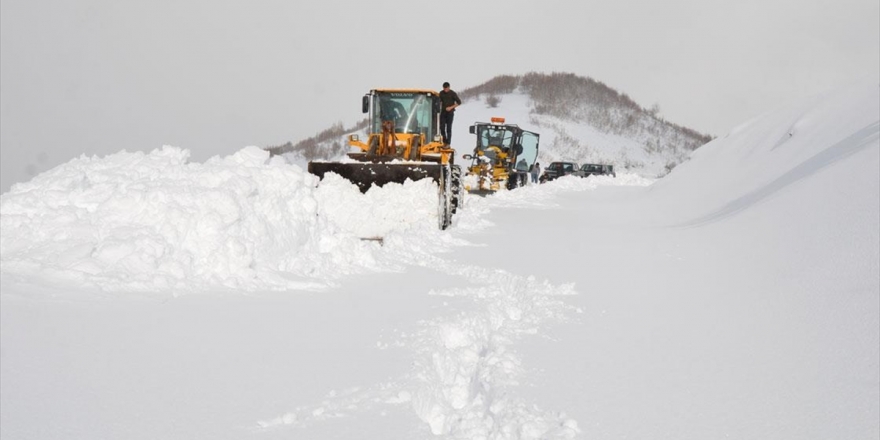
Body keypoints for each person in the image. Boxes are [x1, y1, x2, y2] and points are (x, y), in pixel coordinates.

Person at [438, 82, 461, 146]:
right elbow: (438, 101)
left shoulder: (453, 93)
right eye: (444, 88)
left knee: (448, 128)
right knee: (442, 127)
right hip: (443, 112)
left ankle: (448, 142)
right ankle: (444, 140)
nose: (445, 90)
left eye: (446, 88)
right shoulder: (441, 93)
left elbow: (459, 102)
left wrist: (451, 107)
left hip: (450, 112)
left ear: (449, 87)